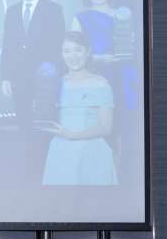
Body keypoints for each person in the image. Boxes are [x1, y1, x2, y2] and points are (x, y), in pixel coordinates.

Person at [70, 0, 139, 183]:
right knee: (96, 120)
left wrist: (134, 43)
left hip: (124, 74)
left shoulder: (125, 16)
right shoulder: (80, 18)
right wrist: (99, 59)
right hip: (95, 75)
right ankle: (97, 168)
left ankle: (119, 169)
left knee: (123, 120)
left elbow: (136, 46)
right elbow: (72, 52)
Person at [41, 32, 117, 185]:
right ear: (61, 54)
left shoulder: (100, 83)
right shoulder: (56, 83)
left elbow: (106, 127)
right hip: (60, 153)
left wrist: (73, 135)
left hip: (92, 153)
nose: (73, 56)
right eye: (67, 51)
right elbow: (47, 117)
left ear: (88, 52)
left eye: (78, 50)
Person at [0, 0, 65, 131]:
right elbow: (7, 46)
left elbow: (58, 45)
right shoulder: (12, 11)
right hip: (18, 78)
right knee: (23, 124)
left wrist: (56, 75)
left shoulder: (54, 9)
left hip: (45, 78)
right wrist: (5, 77)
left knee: (45, 124)